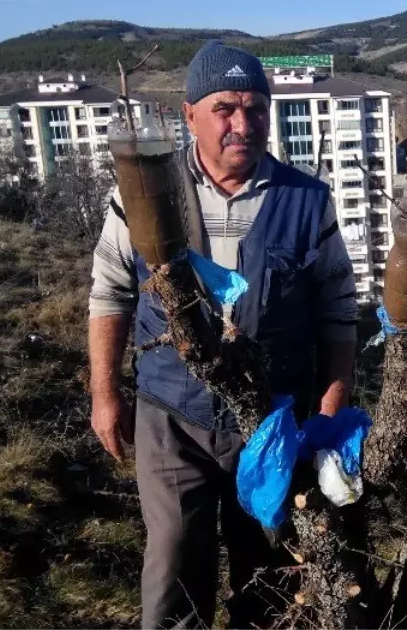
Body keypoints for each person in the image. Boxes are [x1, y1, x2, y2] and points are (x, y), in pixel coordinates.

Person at [86, 41, 359, 629]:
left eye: (257, 108)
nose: (244, 123)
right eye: (225, 109)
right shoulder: (141, 193)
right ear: (189, 115)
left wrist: (331, 409)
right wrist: (104, 393)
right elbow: (110, 292)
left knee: (269, 570)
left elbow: (339, 308)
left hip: (272, 418)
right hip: (170, 415)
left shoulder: (308, 200)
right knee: (174, 567)